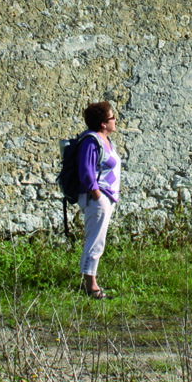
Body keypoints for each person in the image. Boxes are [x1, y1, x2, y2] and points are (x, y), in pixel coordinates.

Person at [75, 100, 120, 299]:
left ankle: (90, 280)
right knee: (95, 241)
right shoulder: (91, 141)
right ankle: (90, 285)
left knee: (98, 240)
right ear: (103, 123)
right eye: (112, 117)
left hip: (106, 198)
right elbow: (86, 171)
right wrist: (98, 196)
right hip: (97, 200)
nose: (115, 120)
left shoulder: (105, 140)